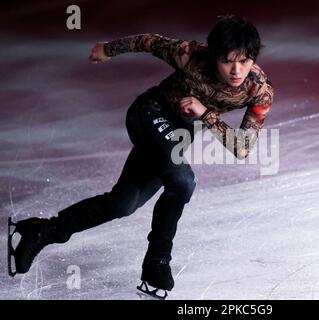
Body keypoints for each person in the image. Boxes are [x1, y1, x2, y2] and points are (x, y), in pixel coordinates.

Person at [7, 14, 274, 299]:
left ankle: (40, 231)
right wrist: (107, 49)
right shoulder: (190, 56)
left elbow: (242, 148)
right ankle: (157, 261)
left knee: (123, 204)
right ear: (213, 55)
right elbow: (149, 42)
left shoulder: (260, 92)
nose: (236, 70)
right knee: (183, 182)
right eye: (227, 61)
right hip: (149, 113)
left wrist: (205, 114)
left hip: (179, 133)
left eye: (244, 61)